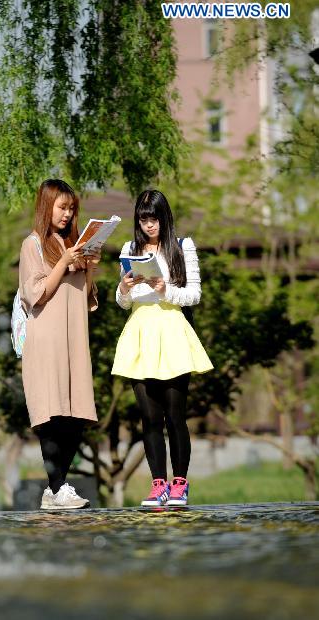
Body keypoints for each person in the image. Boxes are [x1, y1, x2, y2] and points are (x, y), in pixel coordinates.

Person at [111, 189, 213, 507]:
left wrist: (165, 289)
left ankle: (179, 483)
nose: (148, 225)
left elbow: (194, 294)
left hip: (171, 329)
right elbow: (123, 303)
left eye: (153, 218)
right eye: (143, 219)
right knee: (149, 415)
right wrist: (123, 289)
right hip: (140, 331)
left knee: (174, 415)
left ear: (164, 217)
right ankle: (158, 485)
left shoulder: (183, 247)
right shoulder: (130, 248)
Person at [18, 179, 100, 510]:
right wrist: (64, 262)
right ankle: (58, 485)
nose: (67, 215)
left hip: (74, 338)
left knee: (76, 413)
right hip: (46, 339)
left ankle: (55, 492)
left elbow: (88, 297)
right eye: (61, 207)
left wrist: (89, 267)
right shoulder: (33, 244)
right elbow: (35, 293)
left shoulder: (73, 246)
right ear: (47, 206)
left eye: (71, 208)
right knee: (51, 414)